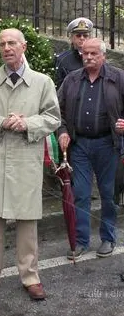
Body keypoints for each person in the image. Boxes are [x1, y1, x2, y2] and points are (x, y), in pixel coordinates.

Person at [0, 28, 60, 300]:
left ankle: (30, 276)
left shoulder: (43, 82)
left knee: (27, 220)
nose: (6, 48)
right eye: (2, 44)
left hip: (25, 158)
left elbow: (53, 118)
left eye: (12, 43)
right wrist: (1, 121)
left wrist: (27, 123)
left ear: (24, 47)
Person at [57, 38, 124, 261]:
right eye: (85, 53)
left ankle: (108, 238)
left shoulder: (118, 77)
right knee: (81, 194)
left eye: (94, 53)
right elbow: (58, 112)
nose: (88, 57)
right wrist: (63, 132)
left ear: (103, 56)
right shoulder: (72, 79)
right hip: (80, 145)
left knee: (107, 194)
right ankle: (81, 241)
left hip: (108, 144)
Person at [55, 17, 93, 88]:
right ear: (71, 38)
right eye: (78, 35)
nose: (82, 38)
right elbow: (60, 87)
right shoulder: (63, 59)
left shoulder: (96, 57)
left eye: (85, 35)